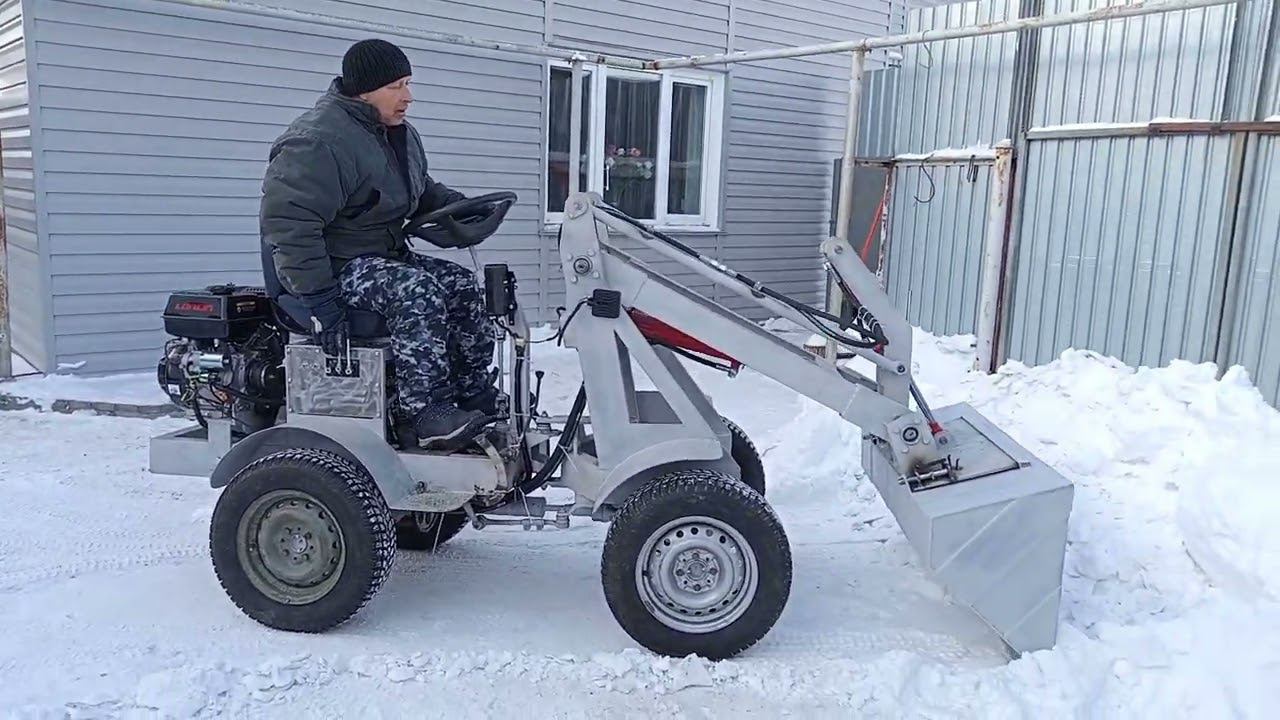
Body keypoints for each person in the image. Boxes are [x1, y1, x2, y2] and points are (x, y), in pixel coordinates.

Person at [260, 38, 505, 451]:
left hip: (384, 257)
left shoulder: (397, 134)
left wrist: (461, 209)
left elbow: (419, 191)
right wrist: (321, 302)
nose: (407, 97)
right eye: (396, 87)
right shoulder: (318, 141)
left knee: (461, 284)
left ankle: (472, 393)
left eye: (408, 84)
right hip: (337, 266)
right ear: (363, 89)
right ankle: (424, 413)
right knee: (416, 292)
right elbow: (289, 226)